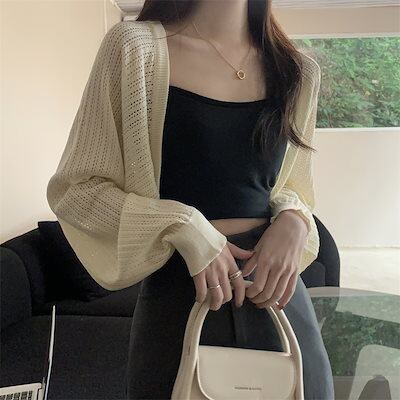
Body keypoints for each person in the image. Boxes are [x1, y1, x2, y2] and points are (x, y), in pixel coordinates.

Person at [46, 1, 335, 399]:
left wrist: (296, 220)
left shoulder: (297, 71)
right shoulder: (134, 49)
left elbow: (294, 189)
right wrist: (183, 225)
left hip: (278, 302)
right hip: (181, 297)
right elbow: (76, 190)